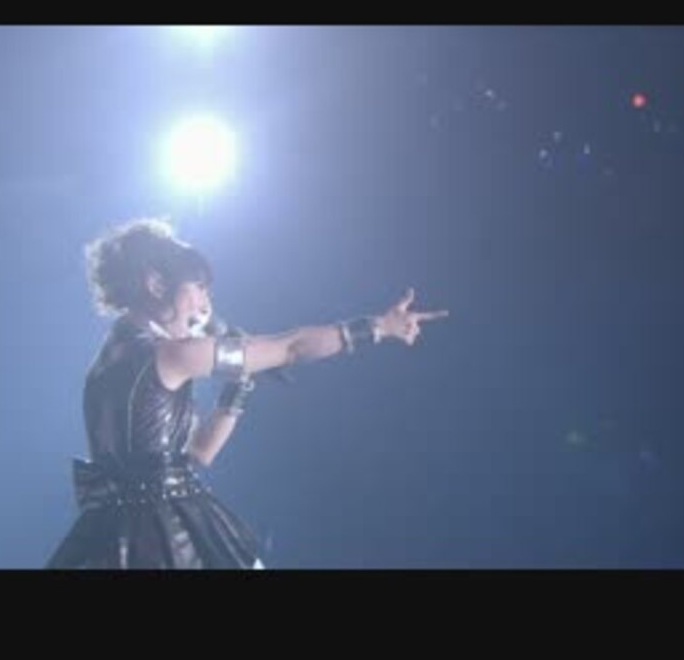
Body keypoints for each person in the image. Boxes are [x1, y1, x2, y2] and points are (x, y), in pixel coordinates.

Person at [46, 218, 449, 569]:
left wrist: (238, 386)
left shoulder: (108, 361)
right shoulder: (172, 353)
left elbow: (199, 453)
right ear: (155, 284)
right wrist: (380, 326)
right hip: (168, 535)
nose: (205, 305)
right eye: (199, 288)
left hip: (110, 536)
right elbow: (292, 347)